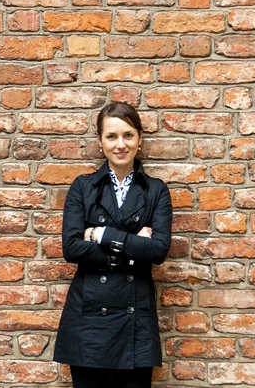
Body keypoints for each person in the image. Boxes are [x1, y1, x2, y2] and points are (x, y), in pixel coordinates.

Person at [53, 102, 173, 388]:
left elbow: (158, 251)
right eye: (112, 136)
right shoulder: (83, 187)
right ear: (100, 140)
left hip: (135, 321)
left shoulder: (156, 190)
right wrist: (134, 248)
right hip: (88, 320)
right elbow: (71, 249)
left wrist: (102, 235)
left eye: (128, 135)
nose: (121, 144)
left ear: (140, 138)